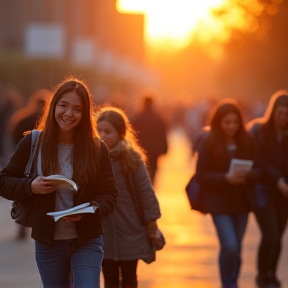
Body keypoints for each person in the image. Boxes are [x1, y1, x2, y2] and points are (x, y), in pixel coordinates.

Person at [0, 78, 118, 288]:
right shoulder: (33, 141)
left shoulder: (96, 148)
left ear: (85, 114)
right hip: (48, 241)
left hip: (87, 239)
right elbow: (4, 181)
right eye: (63, 106)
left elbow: (109, 194)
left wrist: (92, 209)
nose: (69, 113)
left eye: (77, 109)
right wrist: (31, 186)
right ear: (53, 106)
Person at [195, 99, 259, 288]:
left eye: (235, 122)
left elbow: (259, 169)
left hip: (241, 202)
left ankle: (233, 281)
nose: (231, 127)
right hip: (218, 202)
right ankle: (228, 283)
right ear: (218, 122)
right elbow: (202, 174)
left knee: (237, 248)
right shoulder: (208, 140)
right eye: (227, 122)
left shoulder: (247, 141)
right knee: (229, 245)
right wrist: (225, 178)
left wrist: (248, 175)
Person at [96, 107, 161, 288]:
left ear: (121, 133)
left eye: (108, 131)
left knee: (130, 278)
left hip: (131, 230)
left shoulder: (132, 158)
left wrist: (151, 223)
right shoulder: (91, 158)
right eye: (99, 130)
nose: (103, 135)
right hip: (103, 231)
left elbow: (145, 192)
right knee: (109, 279)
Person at [248, 91, 288, 288]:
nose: (283, 118)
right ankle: (262, 276)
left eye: (286, 114)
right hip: (263, 189)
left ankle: (272, 274)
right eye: (279, 113)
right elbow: (259, 160)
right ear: (273, 112)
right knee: (270, 233)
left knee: (279, 236)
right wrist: (278, 179)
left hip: (284, 193)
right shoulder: (259, 130)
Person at [7, 89, 51, 240]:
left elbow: (13, 135)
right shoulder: (47, 122)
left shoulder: (22, 117)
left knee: (25, 192)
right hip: (42, 161)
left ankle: (22, 224)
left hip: (23, 161)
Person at [132, 91, 168, 183]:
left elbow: (133, 134)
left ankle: (145, 187)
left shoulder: (137, 118)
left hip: (141, 148)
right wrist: (164, 148)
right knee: (153, 170)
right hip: (155, 150)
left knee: (142, 170)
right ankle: (151, 186)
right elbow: (163, 134)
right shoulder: (158, 118)